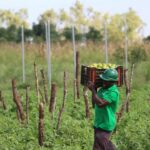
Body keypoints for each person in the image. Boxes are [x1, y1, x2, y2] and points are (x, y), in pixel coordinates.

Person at [87, 68, 120, 150]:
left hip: (106, 123)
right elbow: (94, 103)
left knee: (99, 146)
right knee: (101, 145)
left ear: (112, 81)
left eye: (105, 80)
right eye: (103, 79)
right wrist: (94, 89)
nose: (103, 82)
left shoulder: (113, 92)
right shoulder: (102, 89)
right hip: (99, 122)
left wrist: (93, 91)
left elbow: (100, 104)